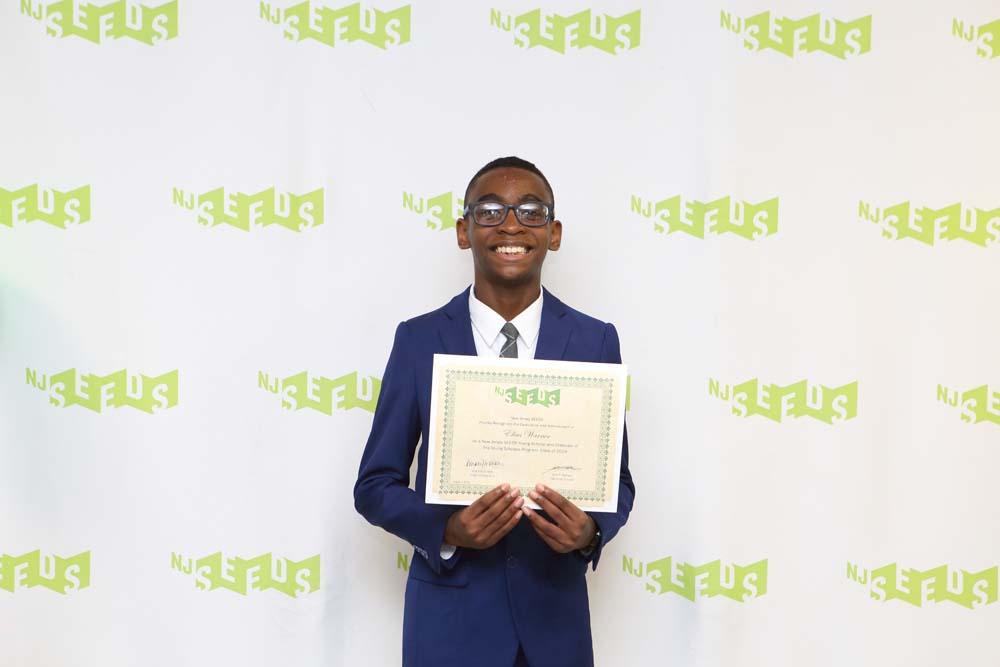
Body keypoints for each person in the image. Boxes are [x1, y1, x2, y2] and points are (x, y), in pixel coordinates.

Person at [354, 156, 635, 667]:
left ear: (553, 234)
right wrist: (446, 530)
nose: (510, 225)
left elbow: (617, 482)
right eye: (490, 211)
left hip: (555, 626)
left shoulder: (594, 341)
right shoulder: (418, 340)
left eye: (531, 211)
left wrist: (590, 532)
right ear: (464, 232)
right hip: (449, 627)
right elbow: (375, 485)